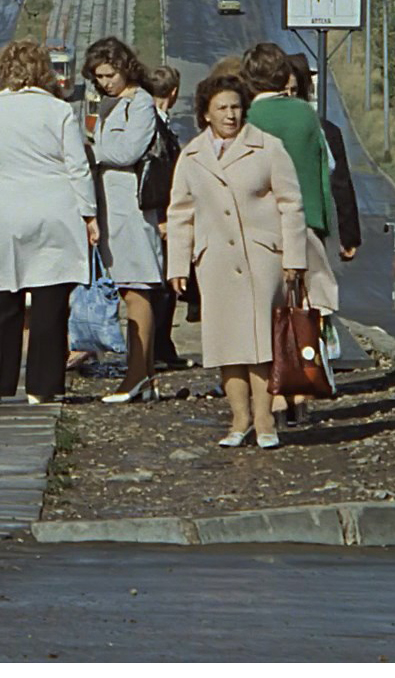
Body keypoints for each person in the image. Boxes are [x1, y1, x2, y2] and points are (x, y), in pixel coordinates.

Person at [166, 72, 307, 449]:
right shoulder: (193, 155)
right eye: (221, 108)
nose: (230, 115)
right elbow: (181, 212)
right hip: (215, 262)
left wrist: (294, 258)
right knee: (226, 342)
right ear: (205, 114)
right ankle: (239, 417)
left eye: (235, 107)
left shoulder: (268, 147)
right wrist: (177, 266)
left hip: (262, 258)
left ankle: (264, 420)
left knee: (260, 341)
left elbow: (291, 204)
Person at [0, 41, 99, 405]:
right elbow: (77, 166)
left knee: (1, 298)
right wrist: (89, 214)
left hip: (8, 207)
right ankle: (43, 386)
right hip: (57, 208)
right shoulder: (58, 111)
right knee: (49, 300)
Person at [241, 42, 341, 425]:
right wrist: (323, 223)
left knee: (266, 311)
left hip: (259, 226)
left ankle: (274, 395)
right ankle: (301, 386)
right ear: (285, 77)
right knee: (303, 308)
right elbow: (324, 168)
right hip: (307, 222)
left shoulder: (246, 116)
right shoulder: (305, 115)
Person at [82, 37, 165, 403]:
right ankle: (143, 375)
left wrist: (90, 150)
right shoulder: (111, 105)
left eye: (109, 74)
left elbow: (130, 150)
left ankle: (136, 374)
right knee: (129, 288)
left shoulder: (140, 103)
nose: (104, 82)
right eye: (98, 76)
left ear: (125, 68)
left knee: (137, 289)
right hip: (111, 208)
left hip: (131, 209)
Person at [285, 53, 361, 262]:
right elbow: (340, 182)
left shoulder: (260, 124)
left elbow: (341, 183)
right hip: (311, 222)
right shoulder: (324, 131)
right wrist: (349, 235)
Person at [144, 65, 189, 369]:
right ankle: (159, 348)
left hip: (160, 212)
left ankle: (162, 346)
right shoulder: (156, 127)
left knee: (163, 283)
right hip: (161, 213)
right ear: (173, 93)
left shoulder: (154, 123)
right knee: (162, 284)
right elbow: (159, 173)